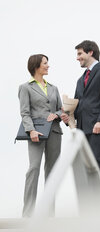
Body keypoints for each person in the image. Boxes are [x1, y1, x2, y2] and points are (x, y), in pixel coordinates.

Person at [18, 54, 68, 217]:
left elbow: (61, 109)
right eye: (45, 63)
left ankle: (48, 215)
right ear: (36, 66)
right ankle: (28, 214)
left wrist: (57, 114)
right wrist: (30, 130)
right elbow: (25, 113)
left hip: (54, 132)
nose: (48, 66)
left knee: (52, 171)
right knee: (33, 169)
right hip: (36, 133)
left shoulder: (53, 88)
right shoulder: (25, 87)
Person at [74, 40, 100, 189]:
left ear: (90, 52)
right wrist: (67, 116)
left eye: (80, 53)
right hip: (81, 128)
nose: (77, 57)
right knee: (86, 167)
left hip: (97, 125)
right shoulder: (80, 80)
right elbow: (78, 104)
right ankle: (91, 205)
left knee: (97, 161)